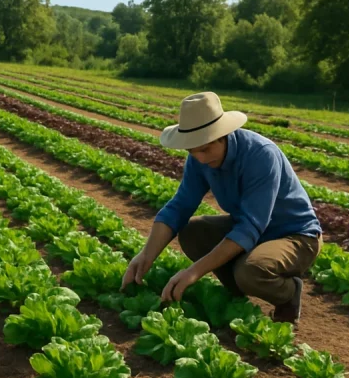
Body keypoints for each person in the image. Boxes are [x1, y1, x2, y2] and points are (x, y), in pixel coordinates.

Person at [121, 91, 322, 322]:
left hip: (295, 235)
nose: (200, 158)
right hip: (253, 231)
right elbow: (179, 207)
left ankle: (289, 294)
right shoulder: (199, 158)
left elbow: (250, 226)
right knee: (193, 231)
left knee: (250, 271)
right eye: (192, 151)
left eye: (205, 149)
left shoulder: (260, 155)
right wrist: (146, 256)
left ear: (223, 135)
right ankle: (236, 292)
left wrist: (193, 271)